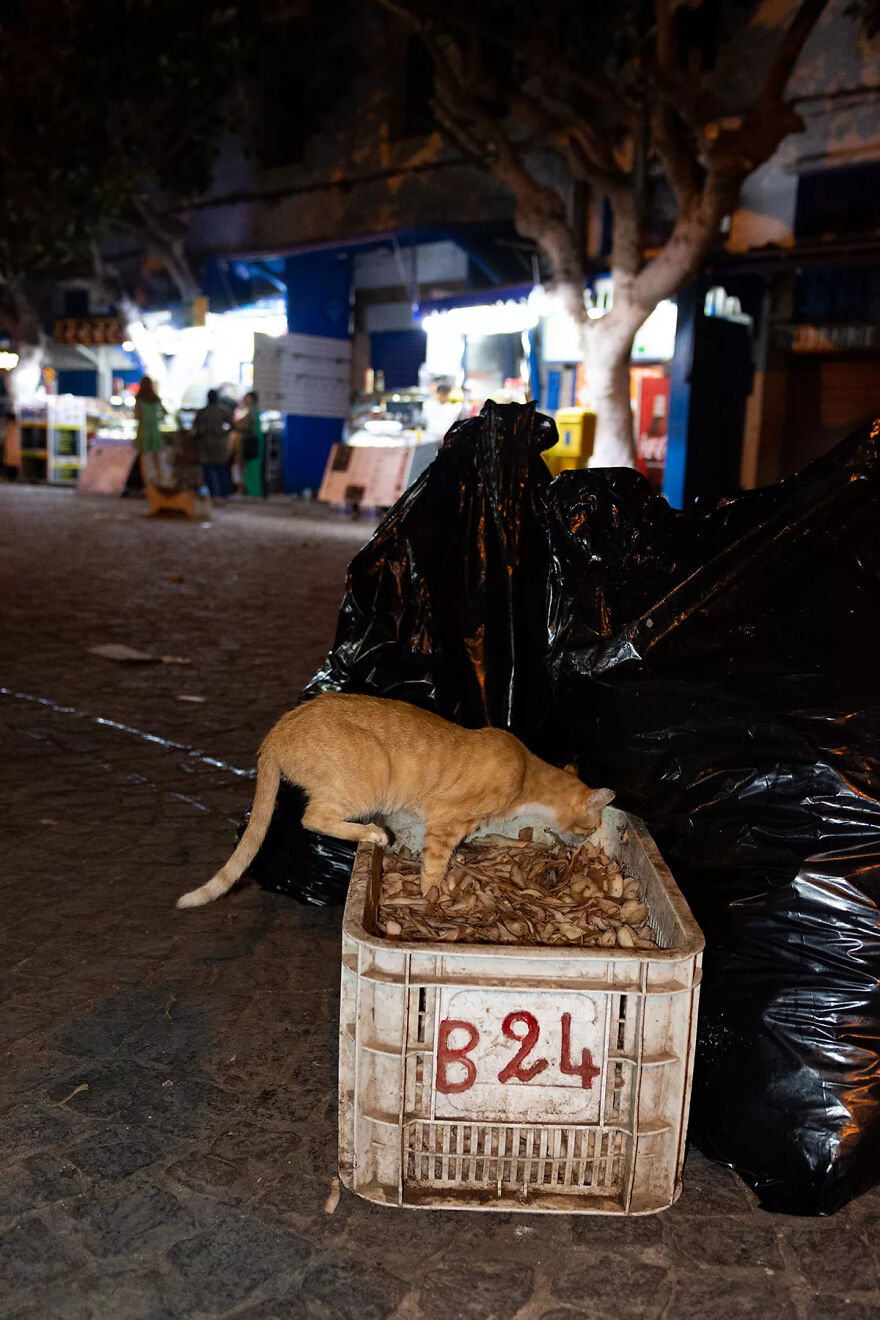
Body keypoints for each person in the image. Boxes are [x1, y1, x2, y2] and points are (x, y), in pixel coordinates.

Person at [194, 388, 233, 498]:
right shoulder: (223, 410)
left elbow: (196, 428)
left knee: (208, 472)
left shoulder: (203, 411)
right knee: (221, 470)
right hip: (219, 444)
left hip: (206, 445)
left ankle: (211, 493)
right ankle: (225, 493)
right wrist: (223, 433)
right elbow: (232, 425)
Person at [134, 376, 166, 489]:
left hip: (143, 433)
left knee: (146, 463)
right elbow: (162, 416)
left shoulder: (139, 400)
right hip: (156, 433)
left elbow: (137, 416)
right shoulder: (156, 399)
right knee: (158, 462)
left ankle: (149, 487)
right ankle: (160, 484)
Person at [235, 391, 264, 498]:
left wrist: (238, 426)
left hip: (252, 444)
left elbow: (245, 426)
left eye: (247, 398)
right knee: (253, 469)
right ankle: (253, 492)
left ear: (252, 399)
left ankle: (253, 492)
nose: (244, 399)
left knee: (252, 469)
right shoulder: (254, 410)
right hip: (255, 443)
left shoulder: (252, 411)